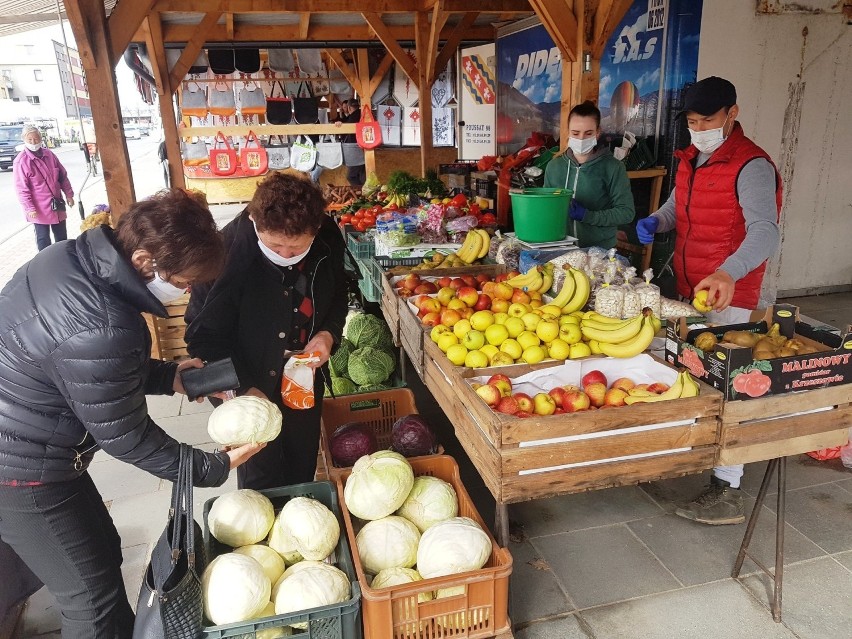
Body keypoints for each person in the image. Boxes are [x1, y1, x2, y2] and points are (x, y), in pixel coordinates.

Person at [0, 189, 264, 637]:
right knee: (91, 599)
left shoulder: (70, 258)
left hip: (36, 443)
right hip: (21, 469)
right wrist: (209, 465)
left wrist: (167, 376)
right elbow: (125, 435)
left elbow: (80, 369)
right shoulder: (105, 322)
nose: (184, 292)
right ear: (144, 259)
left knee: (102, 550)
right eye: (182, 282)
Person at [636, 76, 782, 525]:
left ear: (731, 114)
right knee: (691, 370)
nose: (698, 129)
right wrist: (655, 223)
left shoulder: (751, 165)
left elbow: (765, 232)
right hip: (693, 286)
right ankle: (699, 456)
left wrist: (728, 273)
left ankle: (728, 488)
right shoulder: (691, 159)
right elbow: (677, 209)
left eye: (707, 120)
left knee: (731, 384)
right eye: (692, 121)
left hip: (732, 292)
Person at [185, 172, 348, 490]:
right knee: (261, 471)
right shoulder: (223, 253)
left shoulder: (327, 237)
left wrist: (328, 333)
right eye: (275, 245)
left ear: (315, 229)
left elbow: (338, 294)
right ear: (253, 220)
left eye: (297, 246)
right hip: (245, 373)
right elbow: (202, 337)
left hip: (302, 373)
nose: (286, 255)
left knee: (302, 457)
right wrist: (244, 388)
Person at [543, 101, 635, 249]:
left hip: (598, 252)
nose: (581, 139)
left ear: (598, 132)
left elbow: (626, 212)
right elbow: (546, 210)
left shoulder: (613, 167)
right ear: (567, 131)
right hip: (560, 249)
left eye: (588, 133)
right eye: (575, 133)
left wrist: (587, 216)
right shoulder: (554, 167)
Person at [13, 125, 75, 251]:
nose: (33, 142)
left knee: (62, 238)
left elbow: (62, 176)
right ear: (24, 140)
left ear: (41, 138)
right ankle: (45, 265)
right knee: (43, 240)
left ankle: (64, 260)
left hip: (56, 204)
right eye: (30, 140)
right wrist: (29, 208)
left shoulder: (49, 154)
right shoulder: (21, 161)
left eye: (36, 139)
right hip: (38, 208)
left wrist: (69, 194)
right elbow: (22, 189)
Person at [335, 98, 366, 187]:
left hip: (355, 150)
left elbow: (345, 126)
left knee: (351, 176)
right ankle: (364, 194)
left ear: (349, 108)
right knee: (362, 175)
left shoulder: (353, 117)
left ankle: (360, 194)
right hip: (364, 148)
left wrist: (340, 124)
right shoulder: (361, 114)